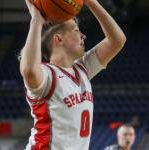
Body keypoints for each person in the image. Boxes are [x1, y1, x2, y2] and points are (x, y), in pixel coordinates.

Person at [20, 0, 126, 149]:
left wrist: (91, 2)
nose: (83, 35)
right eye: (76, 30)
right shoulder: (48, 75)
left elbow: (117, 41)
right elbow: (29, 70)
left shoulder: (82, 69)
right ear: (58, 39)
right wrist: (36, 20)